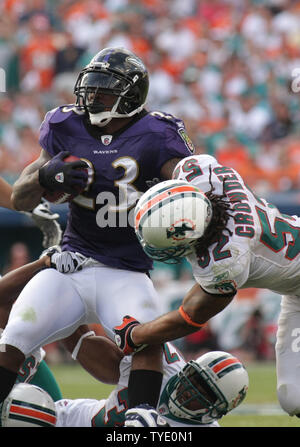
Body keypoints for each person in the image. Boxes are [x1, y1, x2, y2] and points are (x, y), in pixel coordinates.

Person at [0, 47, 194, 408]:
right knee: (16, 334)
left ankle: (141, 422)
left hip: (127, 269)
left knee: (145, 341)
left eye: (103, 90)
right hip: (73, 263)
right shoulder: (64, 124)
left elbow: (190, 193)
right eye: (89, 88)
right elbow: (20, 200)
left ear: (130, 95)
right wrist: (44, 175)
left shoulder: (158, 133)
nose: (91, 97)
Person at [114, 153, 300, 418]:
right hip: (295, 291)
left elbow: (189, 317)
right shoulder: (199, 172)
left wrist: (136, 336)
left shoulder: (227, 258)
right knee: (293, 397)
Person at [1, 341, 249, 428]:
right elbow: (130, 331)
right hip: (61, 417)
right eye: (195, 379)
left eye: (204, 393)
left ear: (216, 410)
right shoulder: (163, 360)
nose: (189, 392)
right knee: (20, 347)